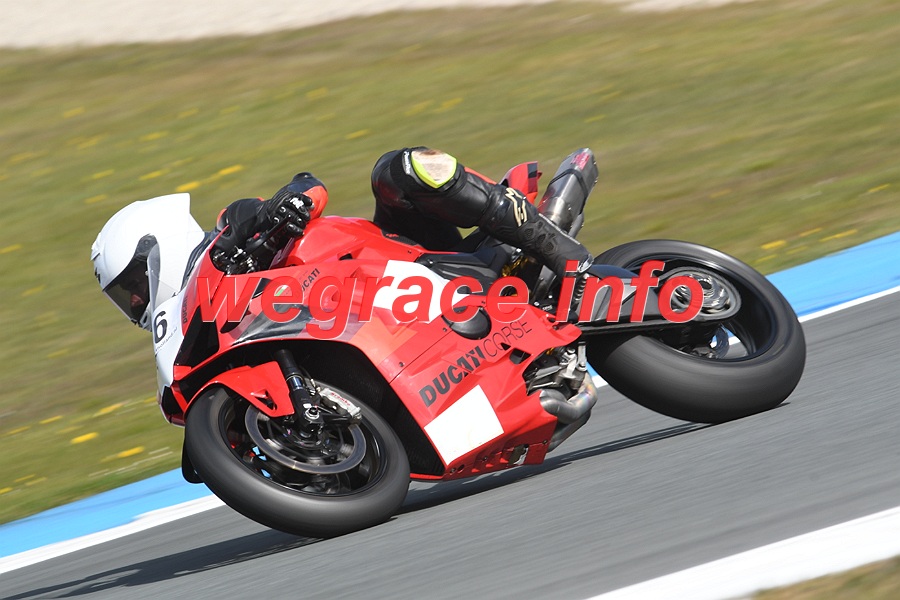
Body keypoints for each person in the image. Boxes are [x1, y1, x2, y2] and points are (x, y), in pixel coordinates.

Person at [91, 146, 594, 329]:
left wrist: (289, 207)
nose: (135, 302)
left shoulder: (234, 229)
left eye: (133, 286)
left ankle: (551, 245)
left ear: (157, 248)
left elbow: (308, 186)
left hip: (410, 262)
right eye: (125, 300)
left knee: (398, 170)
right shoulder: (204, 322)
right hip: (383, 327)